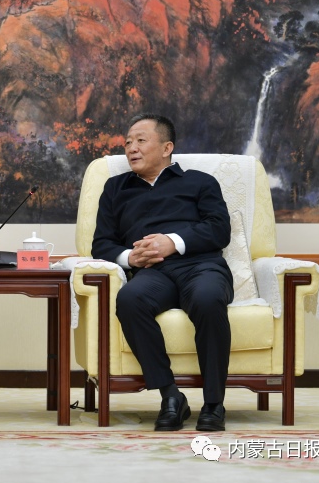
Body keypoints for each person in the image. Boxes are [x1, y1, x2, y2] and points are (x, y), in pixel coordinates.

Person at [92, 113, 233, 432]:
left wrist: (173, 242)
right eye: (128, 142)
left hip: (201, 266)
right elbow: (101, 244)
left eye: (141, 140)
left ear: (167, 148)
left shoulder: (200, 182)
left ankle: (214, 403)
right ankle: (171, 396)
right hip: (152, 272)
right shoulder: (115, 188)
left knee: (208, 298)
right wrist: (131, 258)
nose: (131, 148)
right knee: (130, 299)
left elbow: (219, 229)